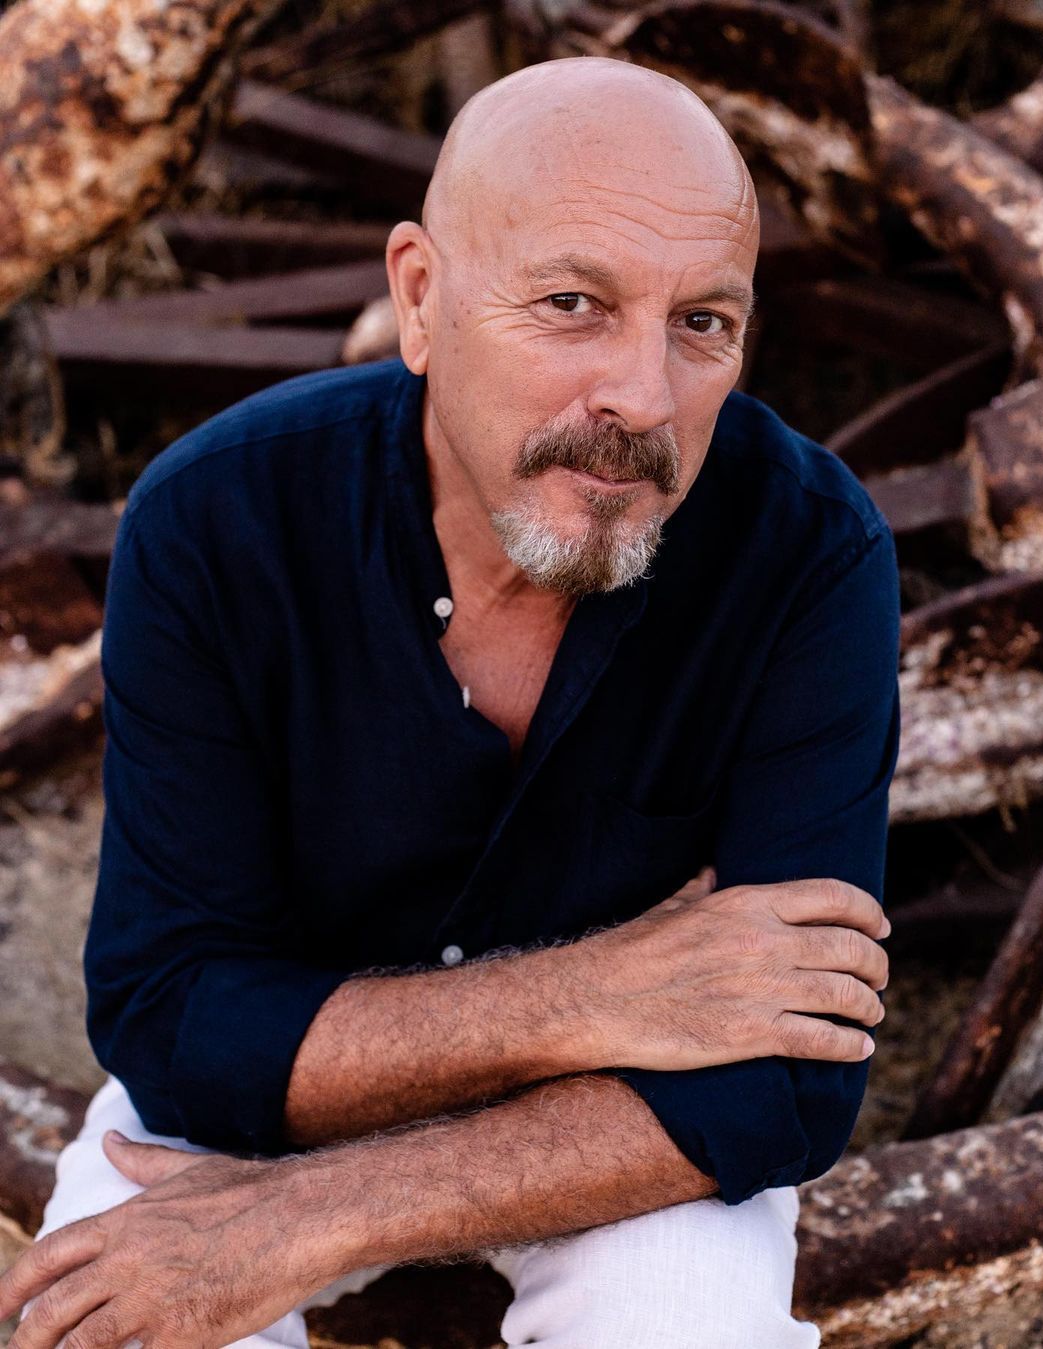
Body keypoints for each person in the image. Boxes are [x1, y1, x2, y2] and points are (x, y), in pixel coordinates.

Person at [0, 54, 898, 1349]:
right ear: (421, 298)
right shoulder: (217, 519)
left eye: (703, 322)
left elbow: (784, 1087)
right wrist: (599, 994)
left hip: (616, 1129)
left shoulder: (809, 550)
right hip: (271, 1116)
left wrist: (313, 1215)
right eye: (574, 304)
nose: (643, 396)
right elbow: (175, 1020)